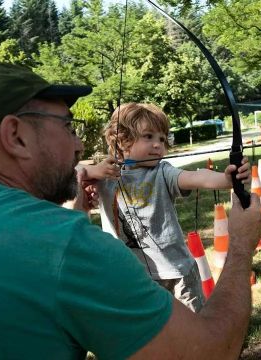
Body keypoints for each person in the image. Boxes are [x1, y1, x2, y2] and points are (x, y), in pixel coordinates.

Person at [0, 62, 261, 359]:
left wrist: (78, 203)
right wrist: (241, 245)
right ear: (15, 136)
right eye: (67, 126)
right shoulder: (68, 245)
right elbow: (209, 352)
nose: (79, 144)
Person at [86, 102, 251, 312]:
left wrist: (226, 180)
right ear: (122, 140)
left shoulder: (163, 172)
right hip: (132, 277)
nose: (158, 145)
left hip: (176, 272)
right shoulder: (103, 177)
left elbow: (195, 177)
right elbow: (67, 173)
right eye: (148, 136)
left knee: (191, 329)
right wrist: (92, 172)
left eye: (162, 139)